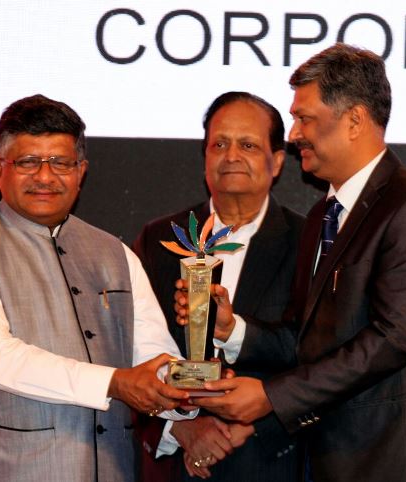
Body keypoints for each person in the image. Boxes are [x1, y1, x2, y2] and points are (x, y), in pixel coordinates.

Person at [176, 43, 406, 481]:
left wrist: (272, 396)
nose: (294, 134)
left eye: (305, 118)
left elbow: (392, 338)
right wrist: (232, 329)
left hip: (400, 461)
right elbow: (309, 340)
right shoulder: (324, 214)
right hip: (333, 460)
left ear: (354, 120)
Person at [0, 94, 193, 482]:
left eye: (60, 163)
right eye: (28, 162)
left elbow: (154, 356)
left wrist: (189, 389)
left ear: (81, 171)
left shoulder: (115, 254)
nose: (45, 176)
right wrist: (114, 383)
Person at [133, 92, 303, 480]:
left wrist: (253, 424)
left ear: (277, 161)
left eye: (248, 145)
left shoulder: (308, 242)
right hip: (176, 464)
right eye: (219, 144)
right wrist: (178, 427)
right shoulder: (160, 239)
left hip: (271, 462)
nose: (231, 156)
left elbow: (321, 357)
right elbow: (128, 346)